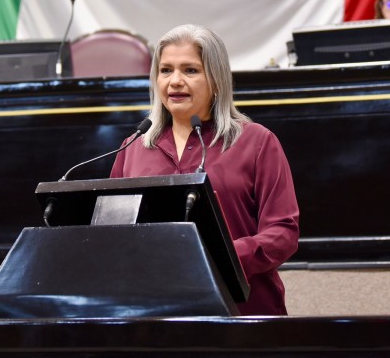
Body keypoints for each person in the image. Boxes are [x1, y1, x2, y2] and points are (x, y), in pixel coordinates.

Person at [110, 24, 300, 315]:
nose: (175, 81)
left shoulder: (257, 142)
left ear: (216, 80)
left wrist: (222, 257)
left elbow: (283, 232)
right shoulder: (133, 147)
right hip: (155, 314)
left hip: (241, 312)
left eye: (190, 70)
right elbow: (111, 232)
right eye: (165, 70)